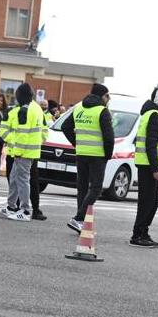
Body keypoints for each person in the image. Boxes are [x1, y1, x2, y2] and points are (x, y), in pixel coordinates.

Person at [62, 83, 114, 233]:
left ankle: (80, 222)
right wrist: (107, 154)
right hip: (97, 155)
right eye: (107, 95)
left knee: (83, 188)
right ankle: (78, 218)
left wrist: (77, 143)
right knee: (96, 188)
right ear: (101, 96)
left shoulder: (79, 108)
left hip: (81, 153)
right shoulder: (102, 111)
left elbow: (65, 127)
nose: (109, 99)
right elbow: (109, 137)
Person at [131, 88, 158, 248]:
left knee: (152, 201)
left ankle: (143, 232)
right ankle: (138, 235)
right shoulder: (155, 115)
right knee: (147, 202)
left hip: (146, 164)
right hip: (149, 166)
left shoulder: (149, 114)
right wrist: (156, 169)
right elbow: (151, 144)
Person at [1, 84, 43, 222]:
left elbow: (22, 135)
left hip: (23, 152)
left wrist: (17, 152)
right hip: (30, 151)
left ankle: (25, 210)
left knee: (22, 180)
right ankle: (11, 206)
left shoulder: (24, 111)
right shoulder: (36, 109)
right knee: (14, 178)